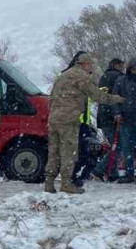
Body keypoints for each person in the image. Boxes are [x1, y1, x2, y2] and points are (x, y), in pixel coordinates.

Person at [45, 52, 124, 194]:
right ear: (84, 64)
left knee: (54, 152)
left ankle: (49, 183)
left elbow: (51, 98)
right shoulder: (81, 76)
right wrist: (116, 99)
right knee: (68, 152)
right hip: (68, 119)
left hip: (54, 118)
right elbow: (97, 96)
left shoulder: (62, 76)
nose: (91, 69)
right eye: (90, 65)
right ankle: (66, 184)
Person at [93, 58, 125, 181]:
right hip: (113, 116)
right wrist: (117, 112)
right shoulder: (119, 77)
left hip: (103, 116)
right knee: (118, 146)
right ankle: (99, 169)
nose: (123, 68)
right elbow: (117, 97)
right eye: (121, 66)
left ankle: (112, 173)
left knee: (114, 145)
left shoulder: (103, 78)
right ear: (116, 65)